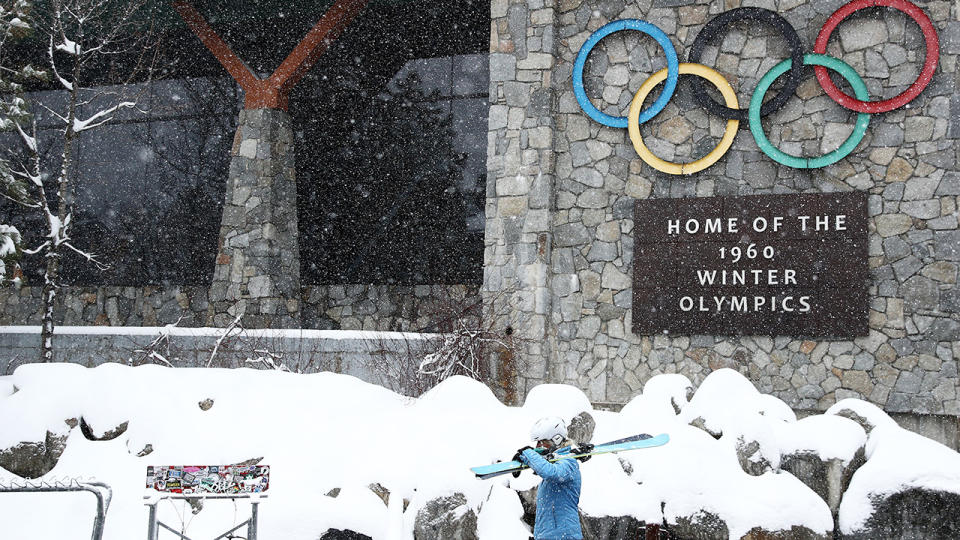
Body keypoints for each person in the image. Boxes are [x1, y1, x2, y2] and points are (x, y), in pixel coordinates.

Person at [514, 416, 585, 540]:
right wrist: (523, 458)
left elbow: (551, 472)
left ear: (556, 440)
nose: (538, 446)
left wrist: (528, 453)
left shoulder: (569, 463)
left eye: (542, 442)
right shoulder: (557, 463)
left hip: (564, 536)